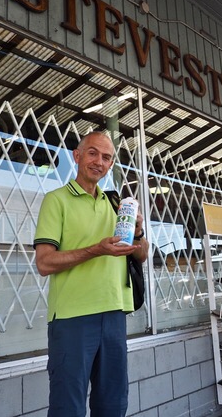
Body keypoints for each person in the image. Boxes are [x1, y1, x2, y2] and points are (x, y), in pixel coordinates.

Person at [34, 131, 149, 417]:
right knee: (68, 407)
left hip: (114, 314)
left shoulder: (115, 204)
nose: (99, 162)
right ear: (77, 156)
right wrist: (96, 250)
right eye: (93, 153)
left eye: (106, 157)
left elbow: (141, 255)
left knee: (113, 405)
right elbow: (44, 263)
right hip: (72, 317)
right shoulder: (56, 200)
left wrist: (137, 232)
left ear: (111, 165)